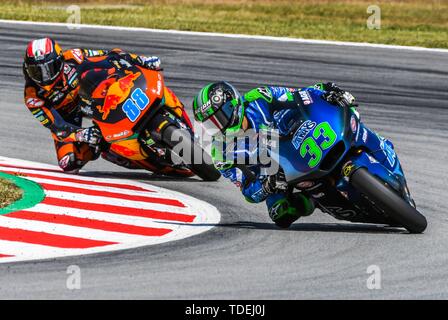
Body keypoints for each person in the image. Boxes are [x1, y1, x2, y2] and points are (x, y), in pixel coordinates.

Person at [192, 81, 356, 228]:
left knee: (343, 116)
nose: (217, 127)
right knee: (280, 214)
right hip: (279, 173)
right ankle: (314, 200)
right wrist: (266, 186)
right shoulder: (220, 154)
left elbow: (299, 95)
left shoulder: (260, 97)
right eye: (210, 124)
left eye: (219, 118)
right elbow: (248, 192)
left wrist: (326, 91)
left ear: (234, 106)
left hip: (300, 139)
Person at [23, 37, 161, 173]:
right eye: (37, 71)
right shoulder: (32, 96)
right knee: (68, 163)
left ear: (60, 61)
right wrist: (82, 134)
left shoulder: (74, 57)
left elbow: (110, 55)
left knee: (112, 71)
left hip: (91, 95)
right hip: (67, 117)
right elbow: (57, 127)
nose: (44, 77)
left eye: (48, 69)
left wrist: (140, 60)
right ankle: (112, 148)